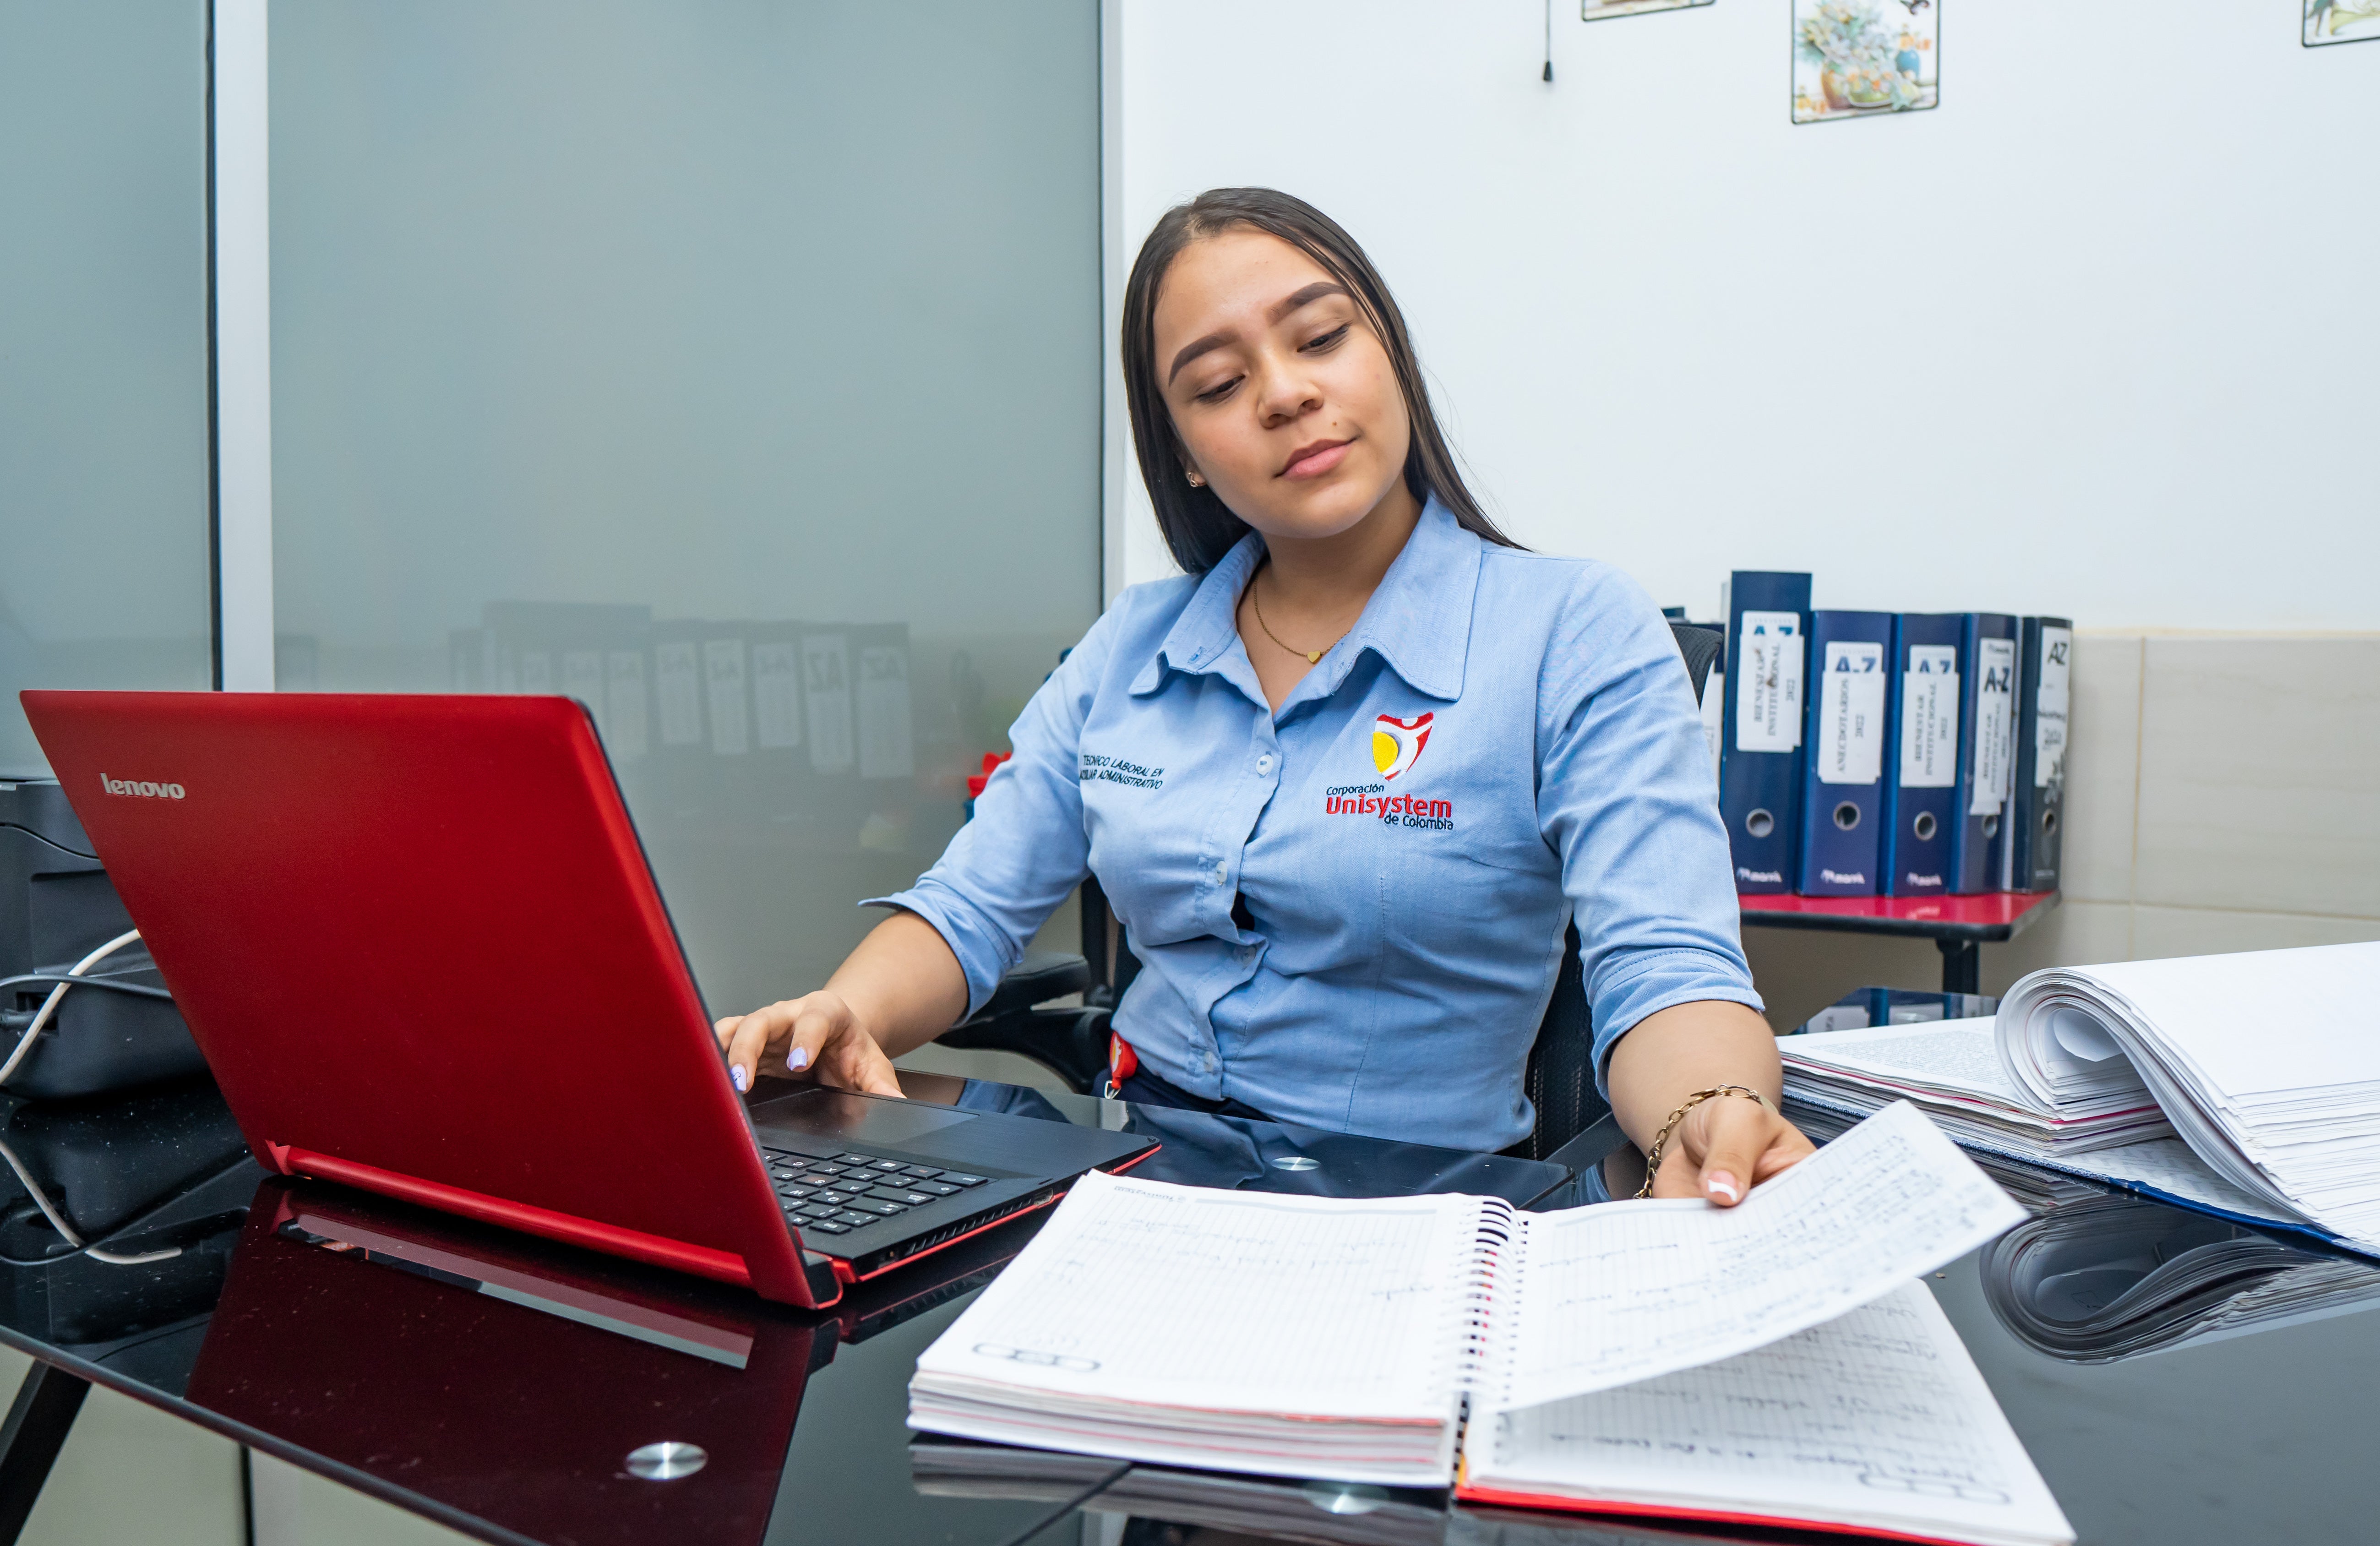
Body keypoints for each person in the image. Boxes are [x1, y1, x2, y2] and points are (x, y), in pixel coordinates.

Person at [718, 188, 1813, 1205]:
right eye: (1217, 384)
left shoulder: (1571, 628)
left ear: (1388, 350)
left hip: (1420, 1203)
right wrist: (844, 1016)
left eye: (1321, 336)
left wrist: (1708, 1107)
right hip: (1138, 1176)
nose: (1287, 392)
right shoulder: (1127, 647)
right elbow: (970, 907)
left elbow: (1666, 957)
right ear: (1186, 452)